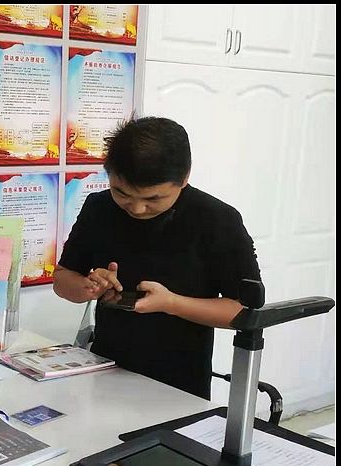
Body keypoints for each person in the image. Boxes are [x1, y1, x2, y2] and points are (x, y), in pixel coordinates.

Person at [53, 116, 261, 400]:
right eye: (121, 193)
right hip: (104, 371)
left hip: (179, 383)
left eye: (153, 199)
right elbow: (63, 279)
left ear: (184, 178)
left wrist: (171, 303)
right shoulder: (99, 208)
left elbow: (245, 312)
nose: (137, 208)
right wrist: (87, 288)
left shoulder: (217, 220)